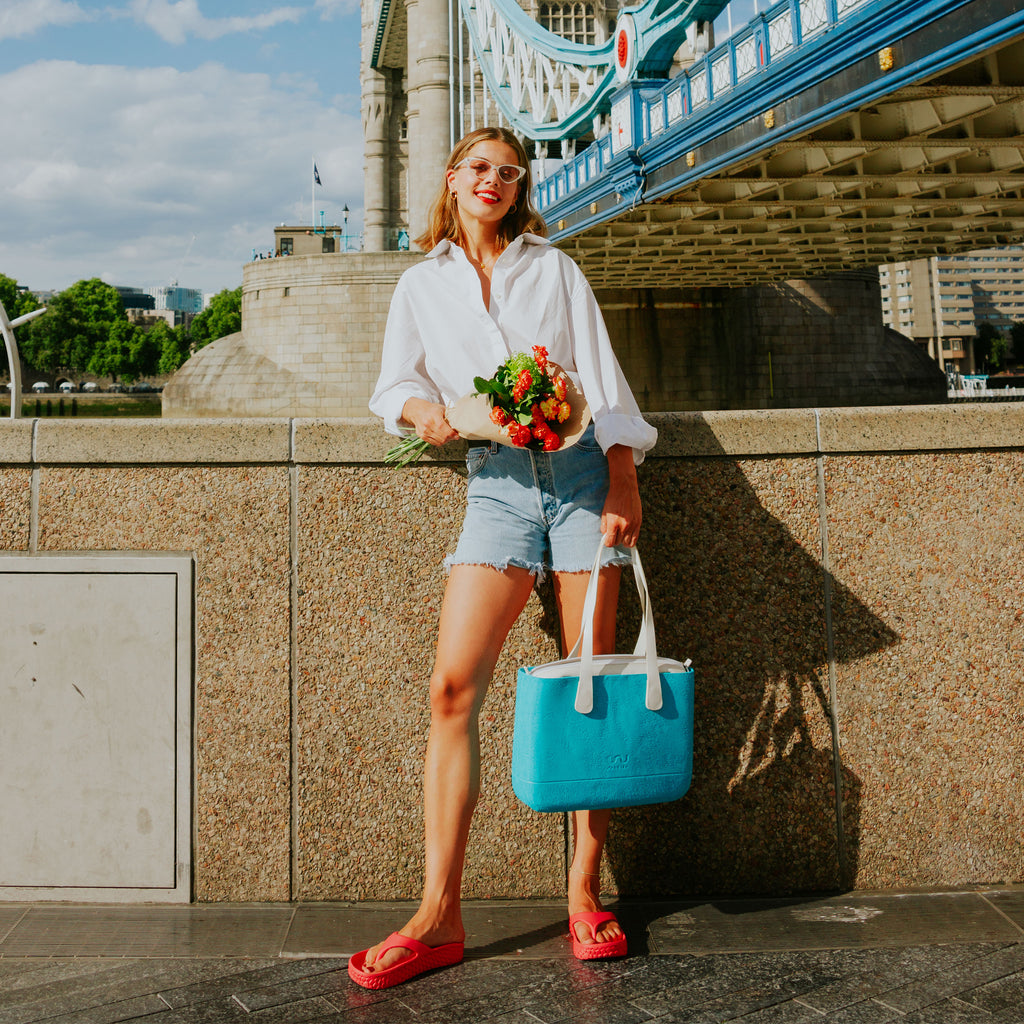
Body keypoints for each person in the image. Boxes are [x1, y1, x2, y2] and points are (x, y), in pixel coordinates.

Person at [351, 126, 657, 990]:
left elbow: (603, 384)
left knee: (589, 679)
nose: (493, 181)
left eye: (508, 173)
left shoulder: (553, 269)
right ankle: (438, 913)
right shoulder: (420, 284)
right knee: (451, 687)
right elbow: (393, 385)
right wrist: (425, 416)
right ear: (452, 180)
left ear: (519, 188)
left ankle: (584, 897)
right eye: (479, 168)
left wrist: (624, 481)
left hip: (581, 479)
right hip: (496, 487)